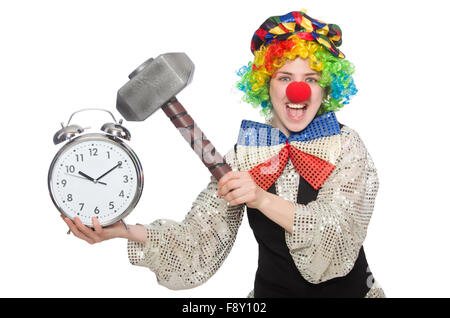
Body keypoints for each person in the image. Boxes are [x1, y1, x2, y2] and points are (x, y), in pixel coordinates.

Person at [62, 10, 385, 298]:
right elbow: (200, 241)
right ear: (265, 85)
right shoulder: (247, 152)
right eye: (284, 77)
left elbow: (338, 237)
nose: (296, 90)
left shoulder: (345, 145)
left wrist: (261, 198)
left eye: (310, 80)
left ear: (326, 88)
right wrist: (124, 230)